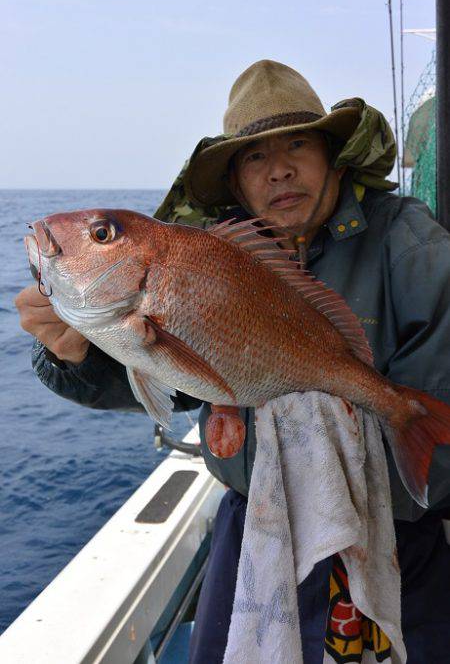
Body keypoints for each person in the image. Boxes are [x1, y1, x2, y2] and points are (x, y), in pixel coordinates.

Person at [15, 60, 450, 663]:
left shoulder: (410, 244)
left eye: (299, 143)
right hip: (255, 532)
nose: (278, 168)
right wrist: (75, 354)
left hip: (395, 540)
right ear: (237, 184)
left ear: (334, 156)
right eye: (254, 157)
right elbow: (173, 378)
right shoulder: (211, 256)